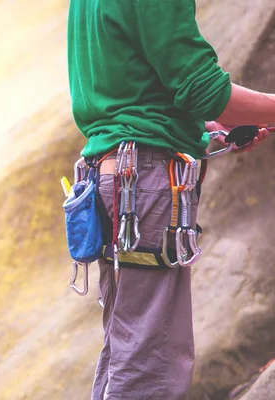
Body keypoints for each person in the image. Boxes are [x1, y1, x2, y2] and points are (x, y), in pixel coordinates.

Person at [66, 0, 273, 398]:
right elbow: (204, 89)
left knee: (128, 349)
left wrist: (201, 128)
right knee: (151, 365)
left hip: (115, 179)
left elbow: (128, 85)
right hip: (142, 186)